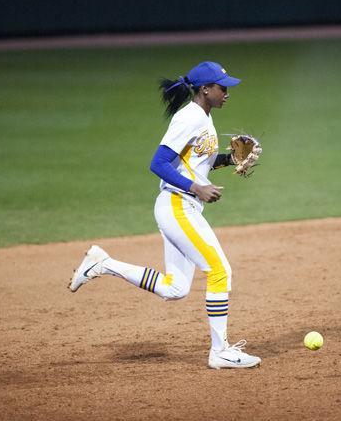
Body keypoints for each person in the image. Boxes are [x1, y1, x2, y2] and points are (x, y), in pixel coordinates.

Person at [68, 61, 261, 369]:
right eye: (222, 88)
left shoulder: (204, 117)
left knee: (175, 288)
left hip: (181, 206)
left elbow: (197, 163)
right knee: (220, 271)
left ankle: (103, 264)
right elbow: (158, 164)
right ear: (204, 90)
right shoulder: (189, 118)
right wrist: (196, 188)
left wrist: (229, 160)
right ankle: (220, 351)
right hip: (177, 205)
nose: (227, 93)